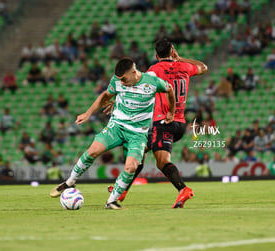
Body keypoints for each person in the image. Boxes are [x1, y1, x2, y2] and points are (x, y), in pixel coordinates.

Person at [50, 57, 176, 210]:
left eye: (124, 79)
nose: (121, 82)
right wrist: (88, 113)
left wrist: (171, 111)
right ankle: (69, 182)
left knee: (131, 167)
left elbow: (170, 90)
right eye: (119, 79)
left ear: (134, 72)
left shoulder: (152, 82)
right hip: (117, 126)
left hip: (137, 133)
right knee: (92, 151)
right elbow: (105, 95)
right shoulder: (117, 81)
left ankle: (111, 201)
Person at [110, 39, 208, 208]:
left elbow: (137, 85)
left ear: (156, 55)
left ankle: (183, 189)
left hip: (163, 122)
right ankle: (122, 189)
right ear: (172, 51)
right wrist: (180, 58)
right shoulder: (184, 67)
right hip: (178, 123)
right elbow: (203, 67)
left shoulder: (154, 70)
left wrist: (119, 101)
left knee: (162, 161)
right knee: (139, 150)